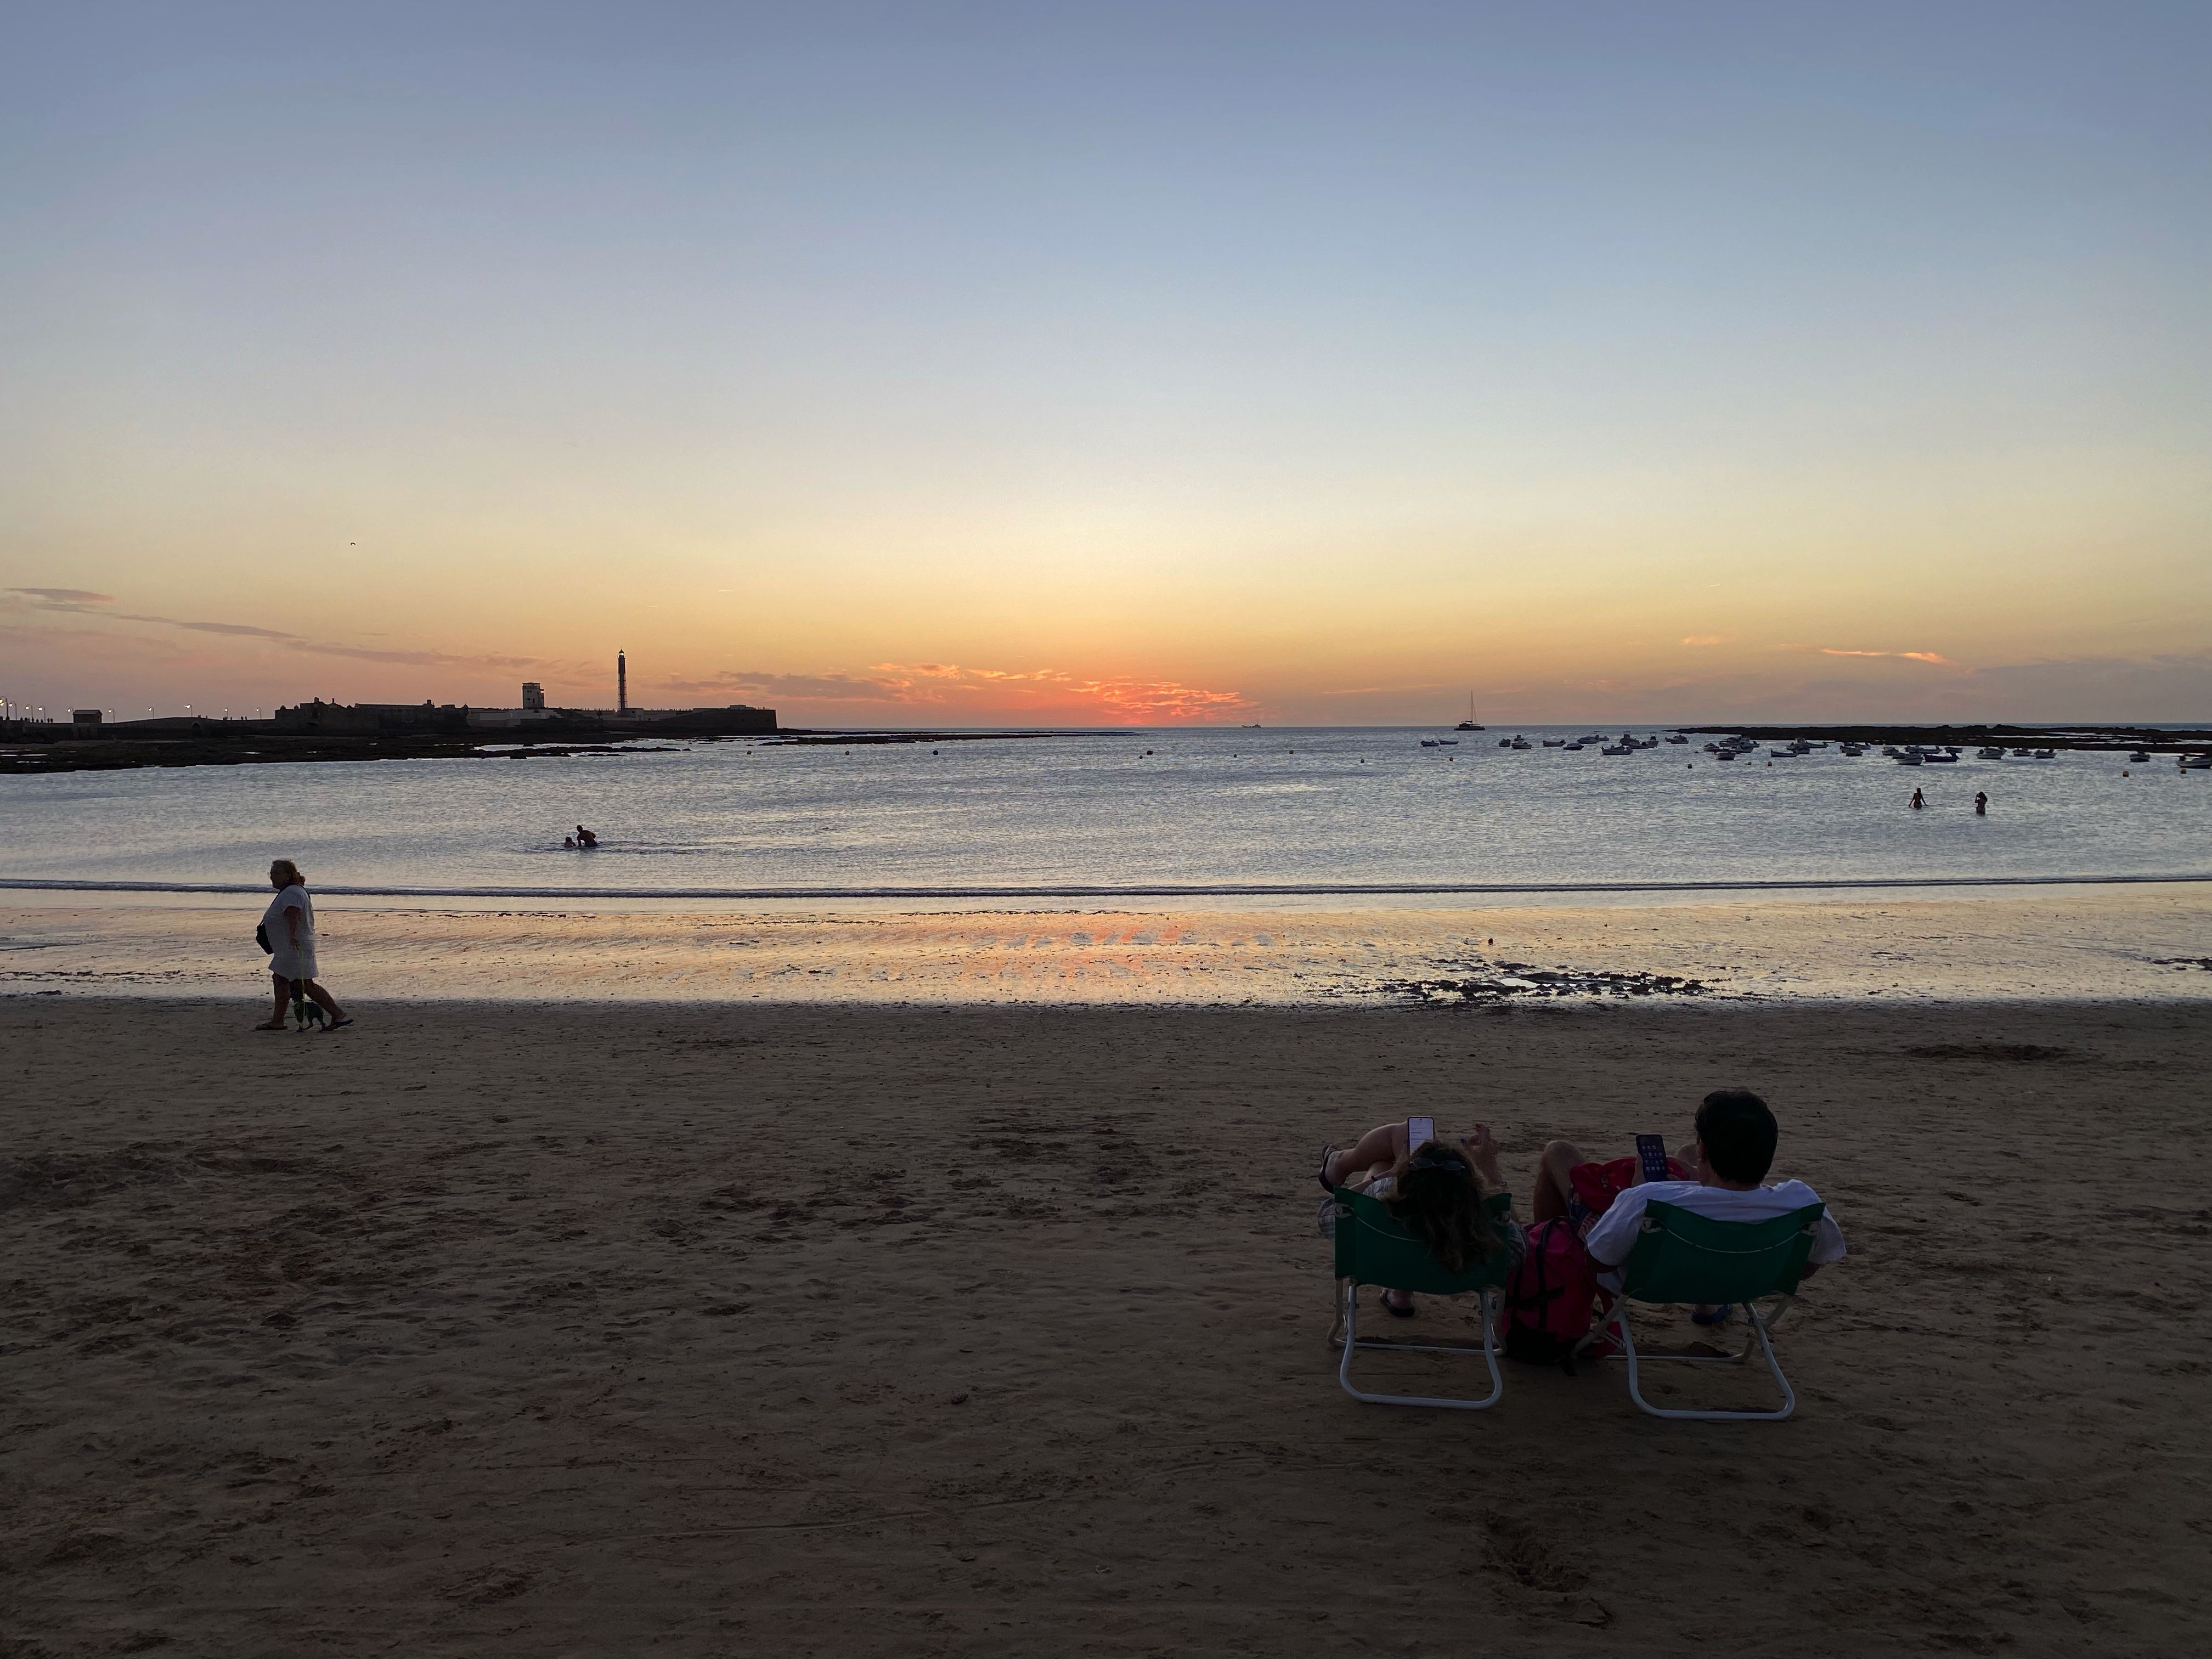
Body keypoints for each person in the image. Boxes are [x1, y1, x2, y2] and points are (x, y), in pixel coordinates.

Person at [1537, 1091, 1845, 1321]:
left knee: (1557, 1153)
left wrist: (1631, 1196)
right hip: (1745, 1282)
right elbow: (1808, 1267)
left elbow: (1599, 1262)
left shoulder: (1647, 1199)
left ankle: (1546, 1293)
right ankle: (1709, 1304)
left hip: (1650, 1282)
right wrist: (1699, 1183)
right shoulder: (1802, 1201)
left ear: (1705, 1151)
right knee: (1679, 1155)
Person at [1319, 1122, 1522, 1316]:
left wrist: (1391, 1174)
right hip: (1454, 1280)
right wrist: (1490, 1173)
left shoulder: (1383, 1192)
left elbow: (1330, 1211)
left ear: (1406, 1179)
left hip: (1389, 1266)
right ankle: (1400, 1292)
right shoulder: (1485, 1218)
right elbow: (1521, 1242)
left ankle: (1400, 1290)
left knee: (1382, 1163)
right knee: (1391, 1154)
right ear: (1469, 1190)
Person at [254, 859, 351, 1032]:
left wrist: (292, 937)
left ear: (287, 875)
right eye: (271, 873)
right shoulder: (292, 891)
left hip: (294, 946)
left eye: (276, 873)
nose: (272, 877)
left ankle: (337, 1013)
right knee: (285, 980)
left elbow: (294, 916)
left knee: (304, 984)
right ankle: (278, 1021)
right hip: (290, 948)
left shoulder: (292, 892)